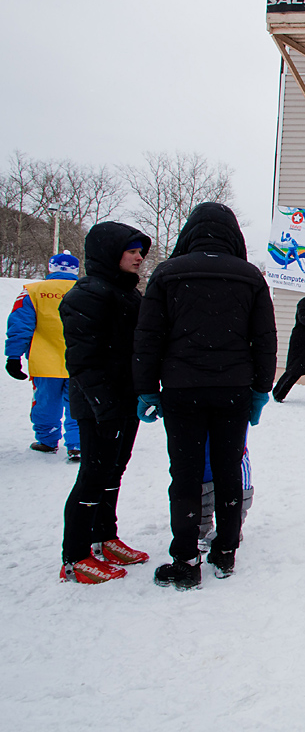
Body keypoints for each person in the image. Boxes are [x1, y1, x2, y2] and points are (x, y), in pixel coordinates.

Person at [134, 202, 276, 590]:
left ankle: (185, 559)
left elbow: (148, 338)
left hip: (182, 388)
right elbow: (265, 339)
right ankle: (226, 550)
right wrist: (261, 389)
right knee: (228, 470)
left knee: (185, 474)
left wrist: (146, 388)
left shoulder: (167, 274)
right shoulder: (250, 276)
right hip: (233, 389)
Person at [57, 223, 153, 583]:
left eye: (140, 251)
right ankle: (75, 556)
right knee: (93, 476)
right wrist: (103, 404)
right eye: (132, 251)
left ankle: (104, 537)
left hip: (125, 400)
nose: (139, 257)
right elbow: (82, 361)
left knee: (114, 471)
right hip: (99, 404)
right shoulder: (88, 294)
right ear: (110, 253)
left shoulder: (128, 293)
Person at [6, 251, 82, 460]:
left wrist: (13, 356)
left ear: (51, 268)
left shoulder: (32, 291)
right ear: (76, 270)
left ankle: (47, 440)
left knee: (45, 402)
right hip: (80, 360)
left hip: (44, 360)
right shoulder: (87, 290)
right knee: (78, 403)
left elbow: (20, 325)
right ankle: (77, 444)